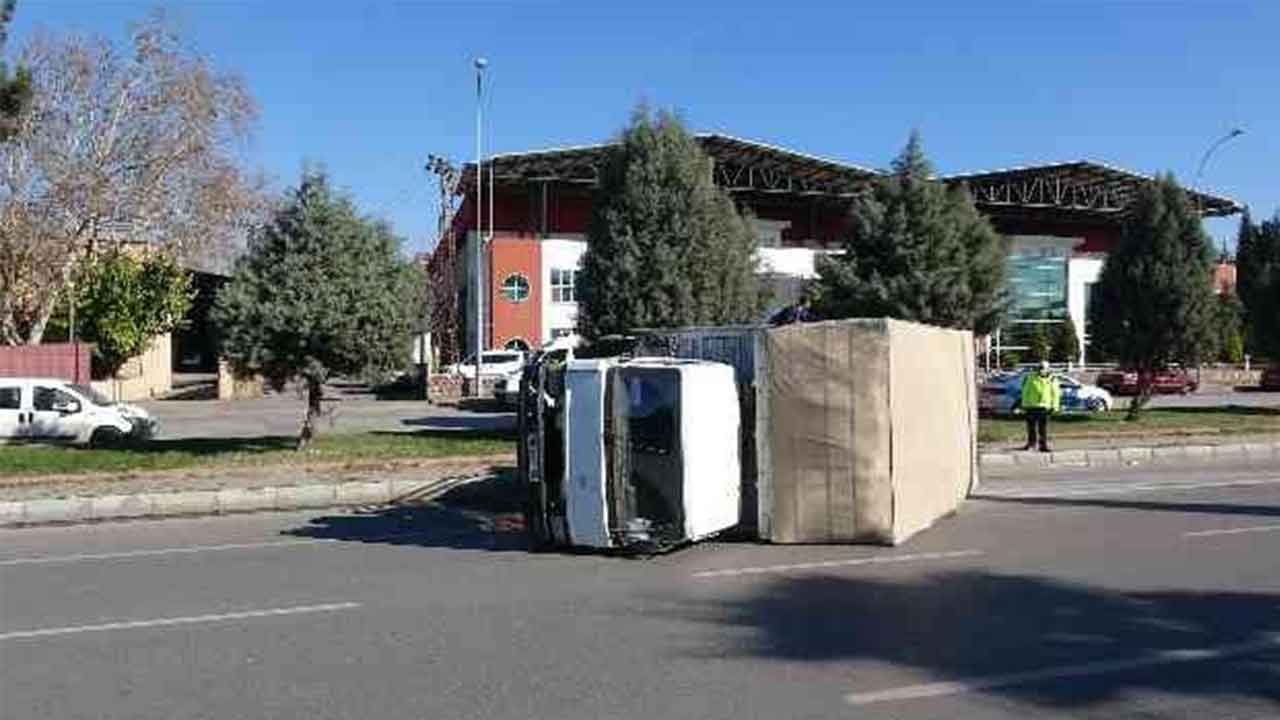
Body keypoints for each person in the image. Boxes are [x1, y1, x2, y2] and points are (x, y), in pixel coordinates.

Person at [1019, 360, 1061, 452]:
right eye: (1040, 367)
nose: (1041, 370)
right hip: (1031, 406)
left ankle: (1043, 445)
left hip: (1045, 407)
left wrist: (1055, 406)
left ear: (1048, 369)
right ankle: (1031, 444)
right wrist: (1024, 405)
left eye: (1044, 368)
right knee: (1031, 427)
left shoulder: (1053, 379)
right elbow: (1026, 392)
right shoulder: (1030, 377)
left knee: (1043, 428)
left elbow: (1056, 394)